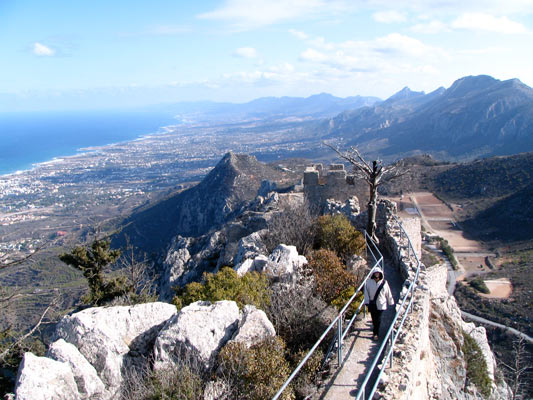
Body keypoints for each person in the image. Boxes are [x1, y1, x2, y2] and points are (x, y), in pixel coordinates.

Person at [364, 267, 394, 340]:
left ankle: (376, 333)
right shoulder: (368, 282)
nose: (377, 274)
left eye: (378, 273)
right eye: (375, 273)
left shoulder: (384, 283)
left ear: (380, 274)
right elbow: (366, 293)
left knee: (379, 319)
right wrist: (367, 302)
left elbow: (388, 293)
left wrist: (391, 301)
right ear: (373, 274)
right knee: (374, 319)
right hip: (372, 304)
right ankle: (375, 330)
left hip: (381, 304)